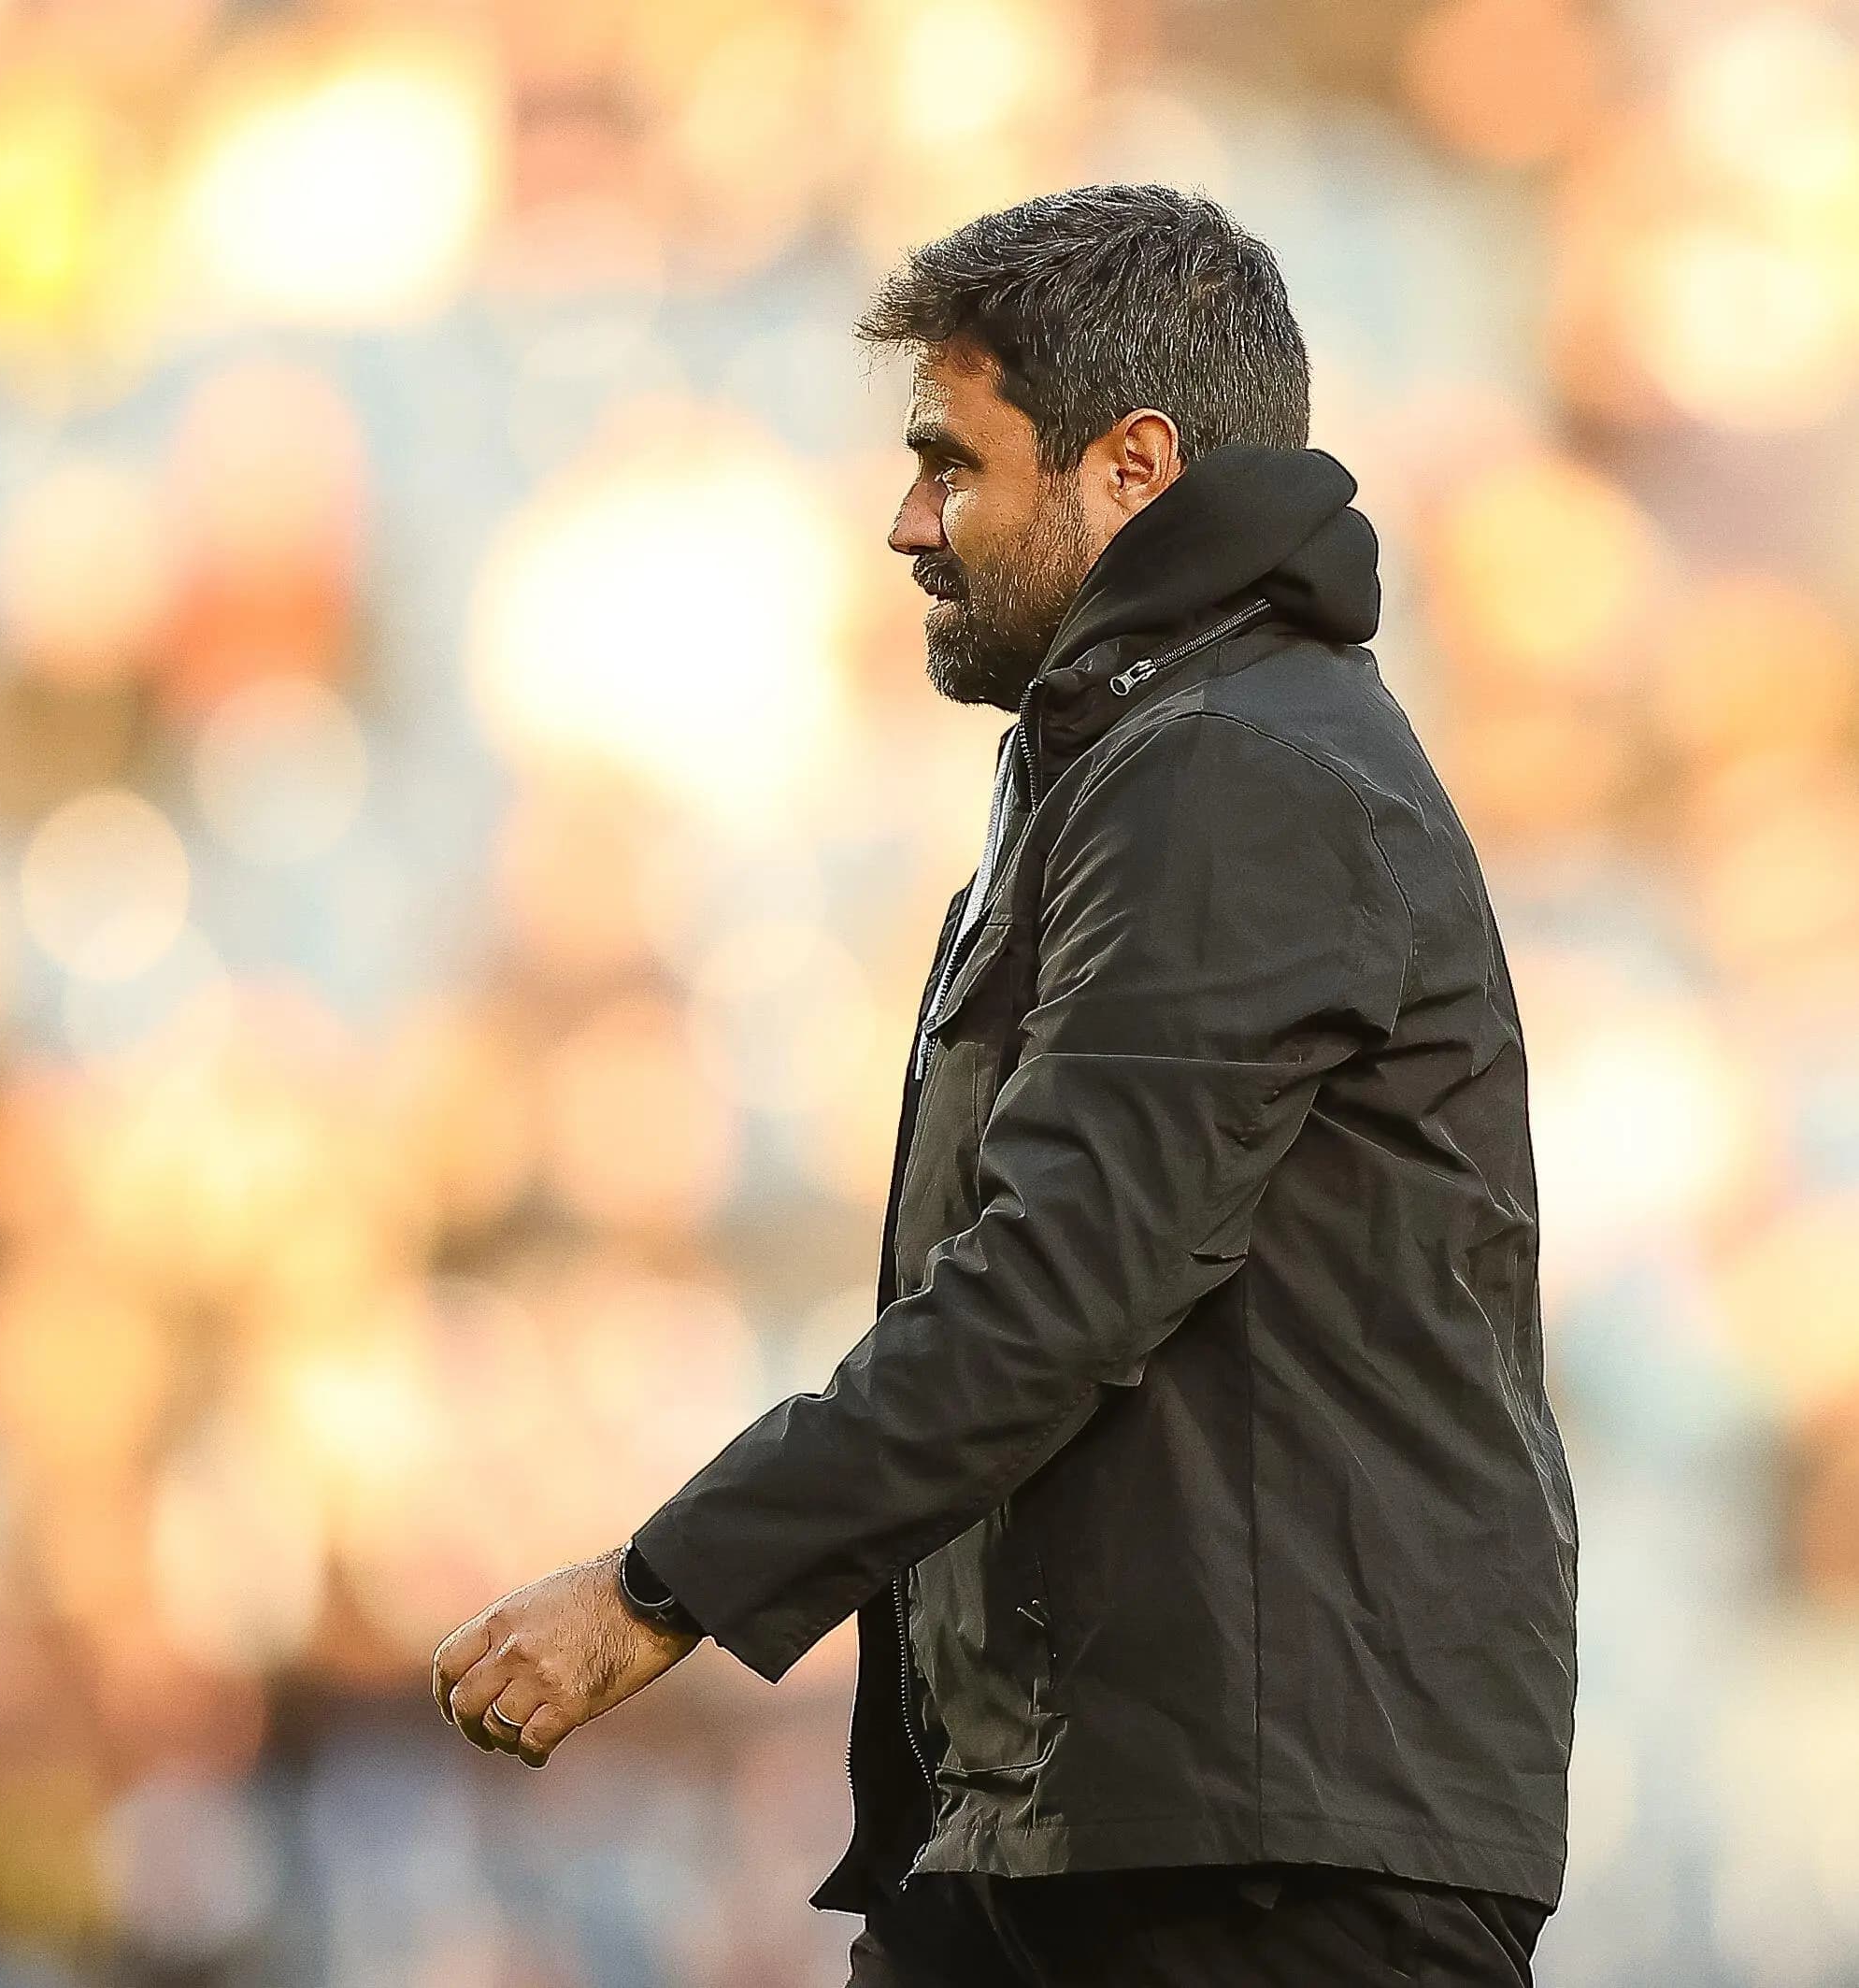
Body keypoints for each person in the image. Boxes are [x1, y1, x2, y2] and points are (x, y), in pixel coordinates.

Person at [429, 184, 1578, 1986]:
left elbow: (1058, 1287)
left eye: (951, 464)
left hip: (1256, 1866)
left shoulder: (1234, 773)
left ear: (1132, 464)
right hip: (1102, 1822)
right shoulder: (1151, 752)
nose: (905, 522)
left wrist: (662, 1592)